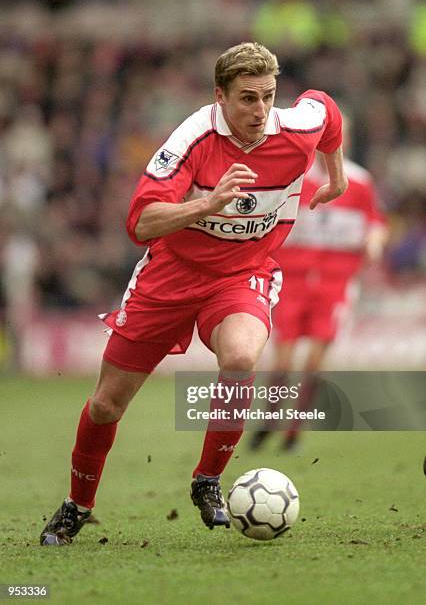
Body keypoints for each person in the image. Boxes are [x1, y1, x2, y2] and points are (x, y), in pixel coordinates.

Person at [40, 42, 347, 545]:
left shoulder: (295, 128)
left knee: (242, 355)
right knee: (105, 406)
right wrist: (207, 204)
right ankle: (78, 504)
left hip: (241, 274)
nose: (260, 110)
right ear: (220, 96)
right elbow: (141, 221)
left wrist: (334, 179)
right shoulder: (193, 137)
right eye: (247, 98)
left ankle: (207, 479)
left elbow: (328, 112)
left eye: (268, 96)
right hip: (172, 276)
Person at [250, 139, 387, 451]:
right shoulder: (296, 178)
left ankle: (294, 431)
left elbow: (375, 221)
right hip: (293, 281)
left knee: (314, 360)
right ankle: (271, 419)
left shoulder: (359, 182)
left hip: (334, 284)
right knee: (282, 358)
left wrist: (375, 240)